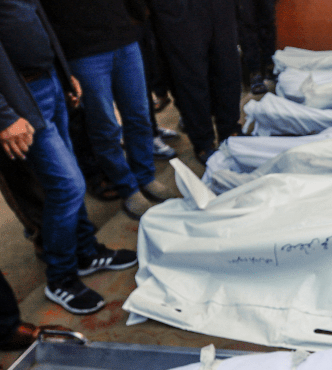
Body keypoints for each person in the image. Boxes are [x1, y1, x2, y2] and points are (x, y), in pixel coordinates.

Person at [0, 0, 138, 314]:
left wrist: (63, 75)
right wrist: (5, 116)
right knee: (67, 186)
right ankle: (60, 278)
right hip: (21, 99)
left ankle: (86, 253)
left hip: (47, 82)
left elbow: (38, 17)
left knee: (69, 174)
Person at [39, 0, 174, 220]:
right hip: (83, 51)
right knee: (105, 126)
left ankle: (145, 176)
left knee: (139, 116)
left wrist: (136, 16)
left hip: (124, 39)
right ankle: (128, 188)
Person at [145, 0, 242, 164]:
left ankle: (231, 130)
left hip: (219, 7)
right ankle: (204, 141)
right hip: (179, 9)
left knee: (227, 66)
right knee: (190, 76)